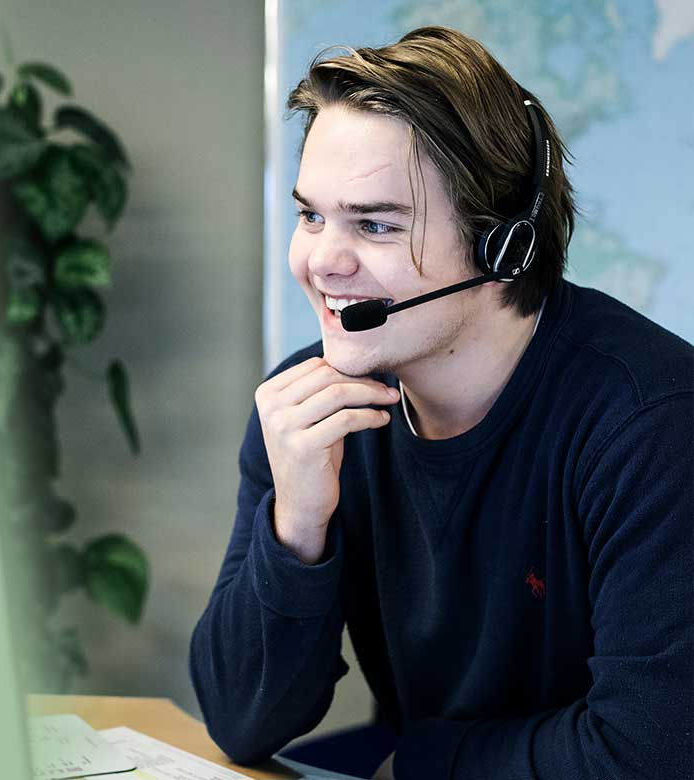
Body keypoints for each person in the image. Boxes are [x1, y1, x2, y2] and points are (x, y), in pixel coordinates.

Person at [188, 26, 692, 780]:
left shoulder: (650, 424)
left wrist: (415, 764)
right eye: (310, 215)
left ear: (503, 248)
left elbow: (650, 753)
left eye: (375, 224)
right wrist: (295, 528)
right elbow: (240, 722)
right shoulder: (309, 414)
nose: (322, 260)